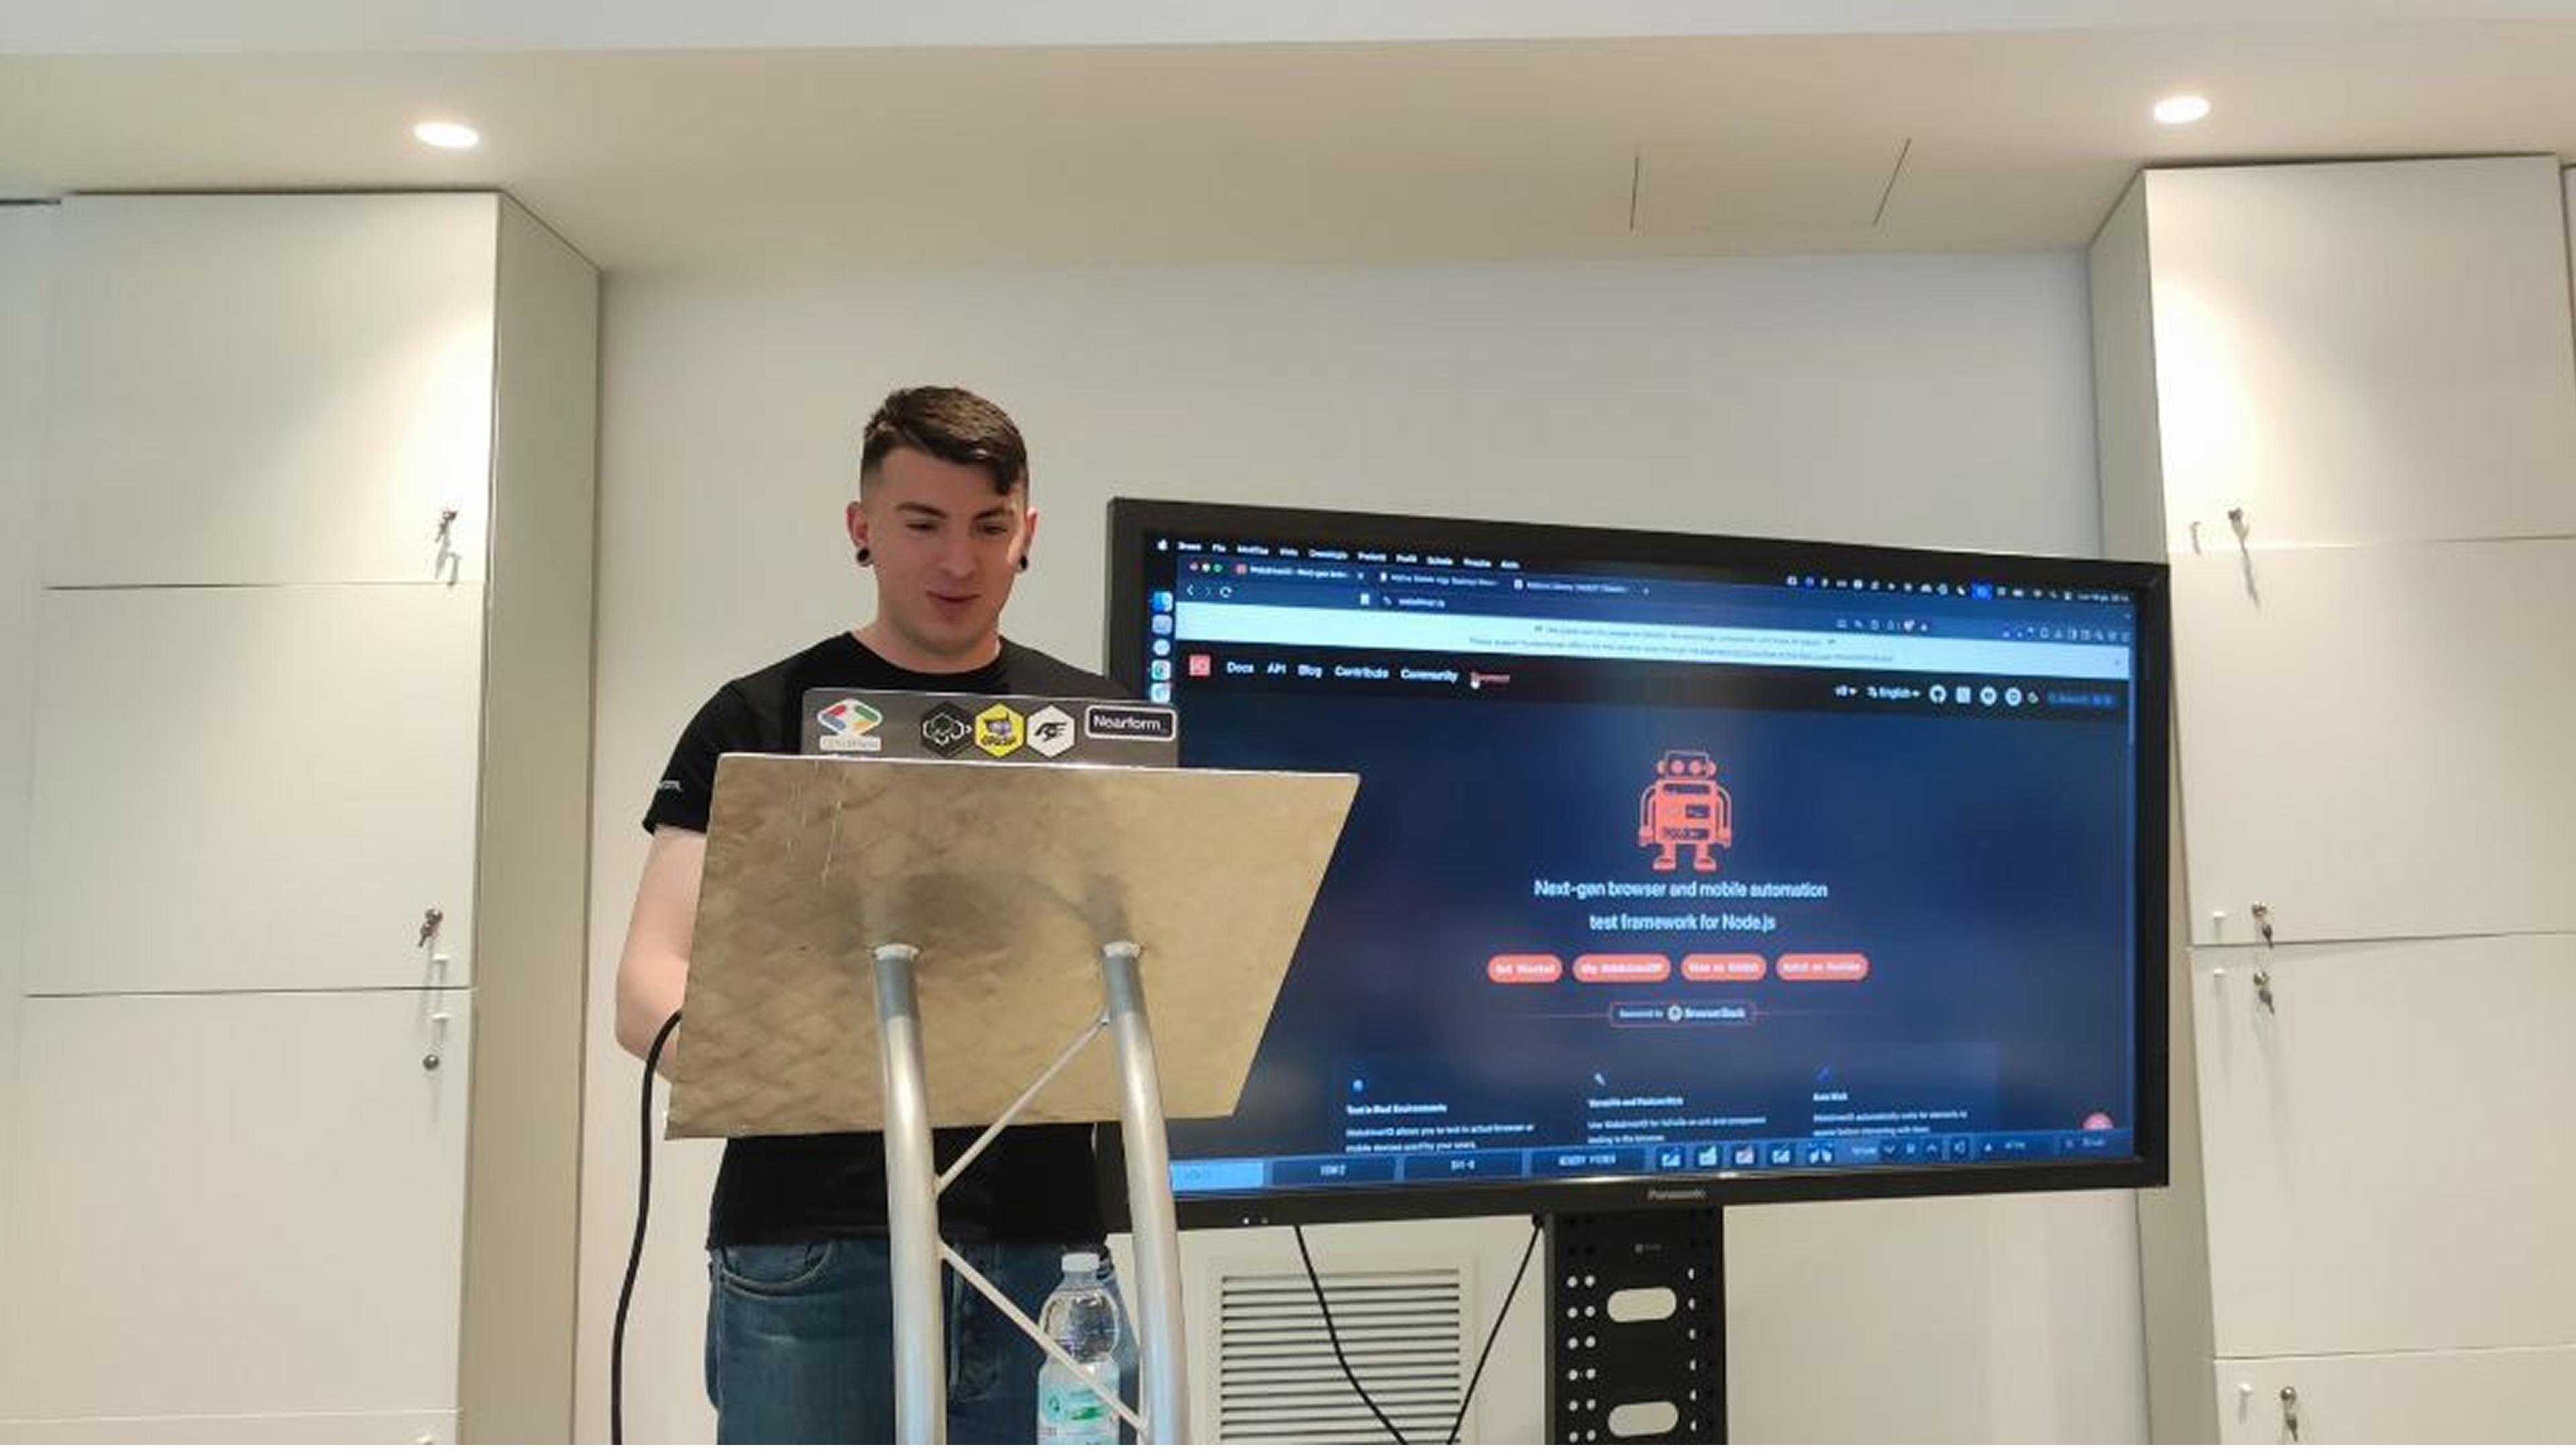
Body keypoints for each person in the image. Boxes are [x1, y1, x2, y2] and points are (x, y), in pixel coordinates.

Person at [615, 385, 1132, 1444]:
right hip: (812, 1249)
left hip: (1046, 1248)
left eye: (990, 528)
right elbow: (647, 987)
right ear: (863, 529)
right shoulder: (757, 719)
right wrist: (809, 1068)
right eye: (923, 524)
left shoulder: (1090, 724)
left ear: (1027, 535)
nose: (958, 562)